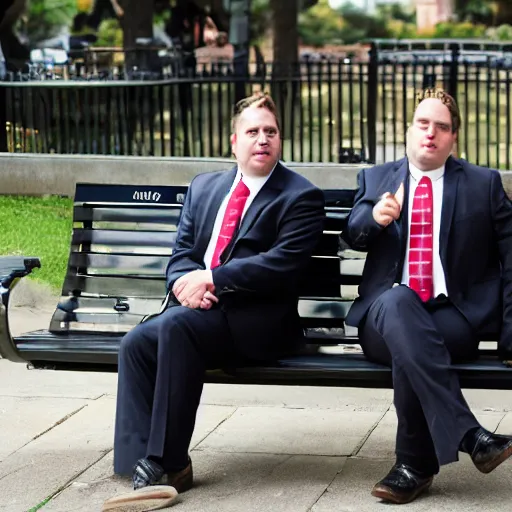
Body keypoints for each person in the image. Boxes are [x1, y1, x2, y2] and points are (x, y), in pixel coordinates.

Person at [102, 92, 325, 511]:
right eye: (254, 132)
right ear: (233, 141)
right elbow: (182, 252)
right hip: (199, 310)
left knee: (174, 328)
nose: (263, 140)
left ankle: (166, 463)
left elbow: (280, 266)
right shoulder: (205, 187)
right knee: (136, 343)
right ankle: (135, 463)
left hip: (256, 323)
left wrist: (213, 279)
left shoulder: (300, 196)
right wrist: (188, 284)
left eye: (271, 132)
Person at [342, 88, 512, 505]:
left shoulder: (482, 184)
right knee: (400, 305)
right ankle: (469, 434)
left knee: (412, 343)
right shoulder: (377, 178)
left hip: (452, 315)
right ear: (408, 131)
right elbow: (353, 233)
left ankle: (413, 467)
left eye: (442, 127)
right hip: (383, 316)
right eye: (423, 124)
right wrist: (374, 217)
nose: (430, 133)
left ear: (453, 138)